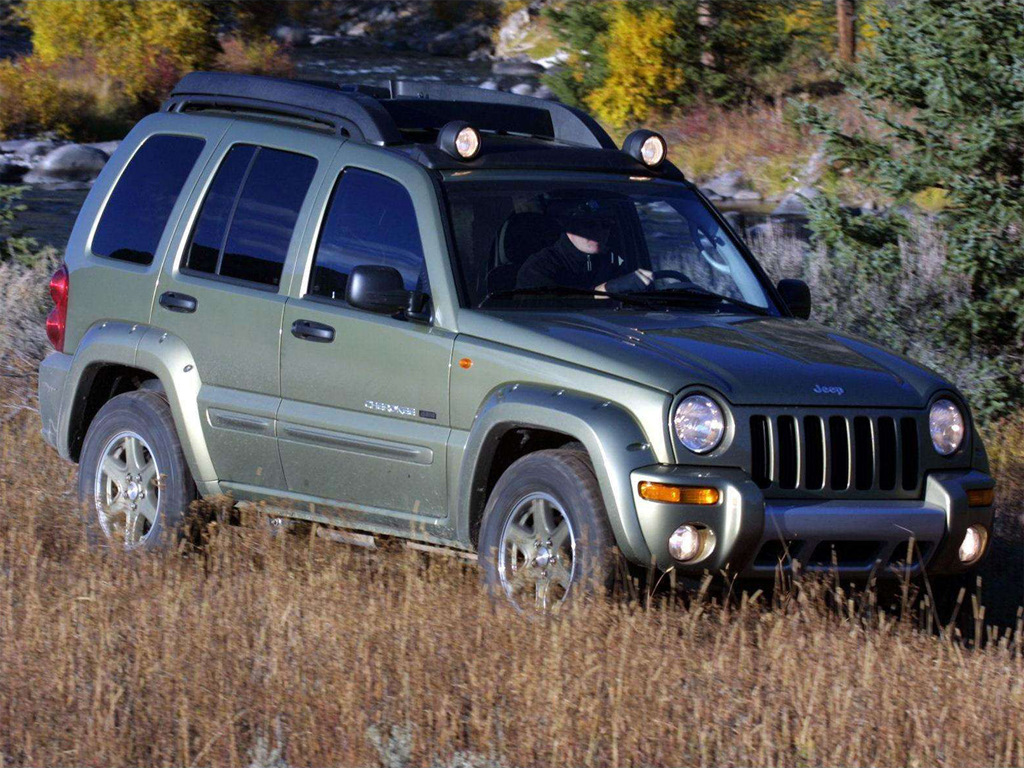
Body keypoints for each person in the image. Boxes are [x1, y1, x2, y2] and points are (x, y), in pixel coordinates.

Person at [515, 201, 653, 293]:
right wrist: (609, 289)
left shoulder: (614, 262)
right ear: (569, 226)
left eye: (605, 225)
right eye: (589, 224)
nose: (599, 232)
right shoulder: (539, 268)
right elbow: (545, 315)